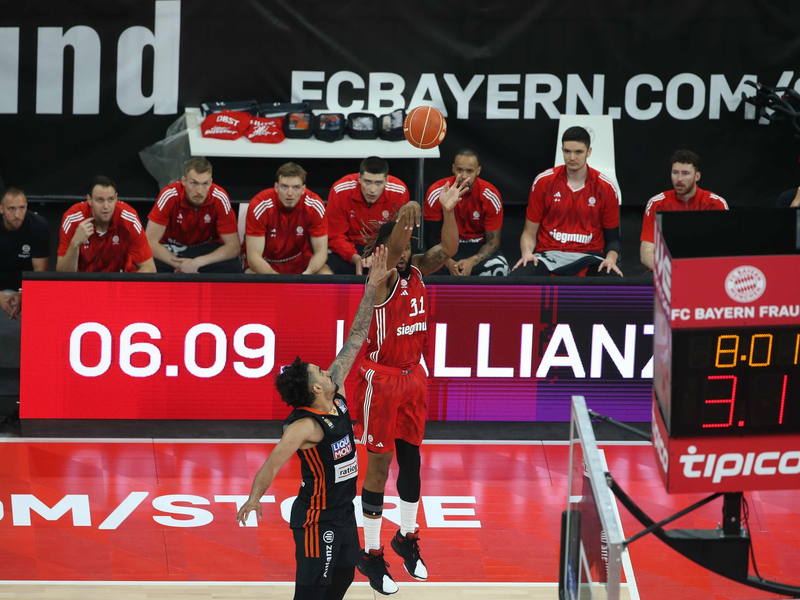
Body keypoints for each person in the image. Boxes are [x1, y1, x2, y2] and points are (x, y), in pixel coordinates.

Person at [236, 246, 394, 600]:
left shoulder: (333, 391)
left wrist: (372, 287)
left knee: (343, 578)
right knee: (312, 591)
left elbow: (356, 337)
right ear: (316, 388)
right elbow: (272, 463)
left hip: (343, 512)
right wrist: (254, 498)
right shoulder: (304, 427)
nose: (327, 368)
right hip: (315, 520)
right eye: (319, 371)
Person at [352, 179, 469, 595]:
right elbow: (399, 243)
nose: (406, 251)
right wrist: (410, 208)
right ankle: (369, 554)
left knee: (412, 461)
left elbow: (450, 250)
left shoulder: (417, 270)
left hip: (413, 376)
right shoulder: (379, 276)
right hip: (380, 381)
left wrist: (449, 211)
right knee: (379, 468)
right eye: (400, 244)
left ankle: (406, 536)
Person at [512, 126, 622, 277]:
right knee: (517, 279)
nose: (572, 157)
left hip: (589, 258)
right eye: (567, 151)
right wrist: (526, 254)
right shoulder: (543, 181)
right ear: (562, 150)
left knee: (614, 282)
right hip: (547, 256)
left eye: (578, 152)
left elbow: (613, 239)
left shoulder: (606, 187)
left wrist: (611, 258)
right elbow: (529, 233)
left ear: (589, 152)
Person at [146, 157, 241, 273]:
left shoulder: (219, 197)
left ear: (211, 182)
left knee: (234, 266)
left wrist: (197, 263)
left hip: (206, 250)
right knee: (147, 264)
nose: (199, 191)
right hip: (173, 249)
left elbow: (234, 247)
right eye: (194, 183)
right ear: (184, 181)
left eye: (205, 184)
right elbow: (149, 242)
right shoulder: (169, 195)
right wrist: (182, 265)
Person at [424, 149, 509, 276]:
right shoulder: (437, 192)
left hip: (477, 248)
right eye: (459, 170)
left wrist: (472, 262)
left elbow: (493, 242)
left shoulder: (490, 195)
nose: (463, 176)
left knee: (501, 269)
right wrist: (448, 263)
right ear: (453, 169)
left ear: (478, 171)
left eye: (469, 171)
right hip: (446, 248)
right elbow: (431, 238)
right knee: (421, 270)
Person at [640, 150, 729, 270]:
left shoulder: (716, 204)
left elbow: (725, 250)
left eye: (685, 173)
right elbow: (646, 252)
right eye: (675, 173)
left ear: (697, 176)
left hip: (706, 272)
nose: (679, 179)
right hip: (666, 273)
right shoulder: (656, 203)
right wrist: (669, 271)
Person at [244, 162, 332, 275]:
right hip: (266, 262)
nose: (290, 193)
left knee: (325, 274)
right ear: (276, 187)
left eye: (296, 187)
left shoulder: (314, 205)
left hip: (299, 260)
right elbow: (254, 257)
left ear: (303, 189)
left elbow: (321, 252)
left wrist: (308, 273)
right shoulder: (259, 205)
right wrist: (279, 282)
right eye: (284, 187)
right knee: (251, 276)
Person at [326, 156, 409, 275]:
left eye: (378, 183)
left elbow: (399, 234)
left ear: (386, 180)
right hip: (349, 246)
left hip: (385, 247)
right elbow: (335, 235)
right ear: (359, 178)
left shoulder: (399, 192)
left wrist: (379, 256)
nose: (372, 190)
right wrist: (353, 257)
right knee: (326, 273)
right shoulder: (340, 190)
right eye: (367, 182)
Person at [57, 176, 155, 273]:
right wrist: (75, 243)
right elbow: (62, 274)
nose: (106, 206)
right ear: (89, 200)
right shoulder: (72, 219)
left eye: (110, 199)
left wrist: (126, 288)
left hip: (120, 283)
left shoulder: (129, 219)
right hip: (85, 283)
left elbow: (149, 268)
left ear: (116, 198)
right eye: (100, 200)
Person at [0, 188, 49, 319]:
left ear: (26, 206)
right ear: (1, 209)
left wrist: (24, 293)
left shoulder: (39, 226)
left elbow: (40, 272)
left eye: (21, 208)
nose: (17, 214)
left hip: (25, 281)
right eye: (11, 209)